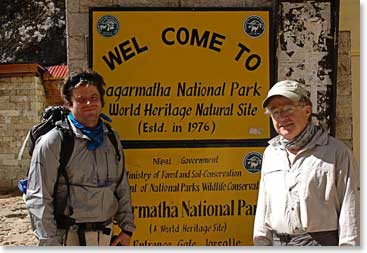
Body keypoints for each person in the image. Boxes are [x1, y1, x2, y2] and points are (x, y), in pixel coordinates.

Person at [24, 70, 136, 246]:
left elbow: (121, 185)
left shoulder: (111, 138)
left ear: (101, 100)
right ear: (69, 104)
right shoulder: (54, 142)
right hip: (68, 239)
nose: (89, 103)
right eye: (81, 99)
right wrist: (50, 244)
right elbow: (39, 198)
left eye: (94, 97)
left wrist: (127, 228)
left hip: (106, 238)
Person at [253, 80, 360, 246]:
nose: (282, 117)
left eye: (288, 109)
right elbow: (264, 208)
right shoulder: (271, 153)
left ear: (307, 110)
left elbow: (350, 209)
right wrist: (261, 243)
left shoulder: (336, 152)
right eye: (275, 112)